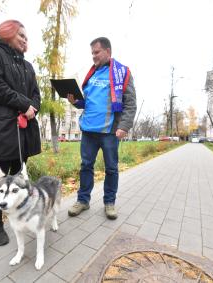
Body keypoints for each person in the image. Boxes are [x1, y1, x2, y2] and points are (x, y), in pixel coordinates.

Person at [0, 20, 41, 245]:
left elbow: (36, 94)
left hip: (23, 129)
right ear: (7, 33)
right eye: (21, 35)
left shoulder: (27, 66)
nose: (25, 39)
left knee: (18, 173)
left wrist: (33, 106)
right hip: (4, 127)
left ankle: (18, 212)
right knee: (0, 176)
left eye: (27, 36)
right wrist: (24, 104)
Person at [67, 37, 137, 220]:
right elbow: (88, 102)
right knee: (86, 166)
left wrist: (124, 126)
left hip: (109, 132)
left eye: (96, 52)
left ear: (108, 51)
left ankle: (109, 203)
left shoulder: (123, 72)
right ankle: (83, 200)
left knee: (111, 169)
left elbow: (130, 104)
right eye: (92, 53)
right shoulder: (92, 74)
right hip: (89, 131)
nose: (94, 56)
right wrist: (76, 102)